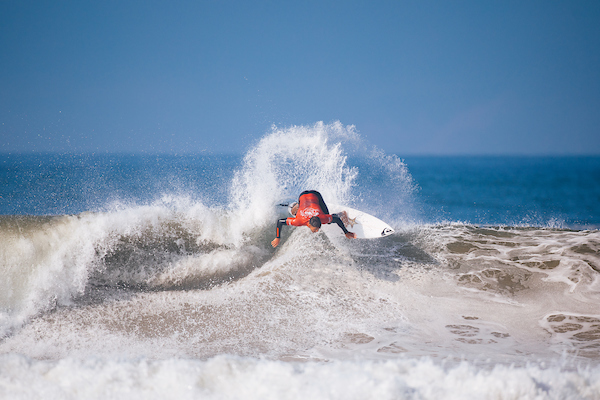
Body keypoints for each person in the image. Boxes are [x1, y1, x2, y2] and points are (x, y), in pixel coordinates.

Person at [271, 190, 356, 248]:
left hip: (313, 195)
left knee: (329, 219)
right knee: (296, 215)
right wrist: (277, 237)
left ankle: (342, 213)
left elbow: (337, 219)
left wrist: (346, 232)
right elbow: (280, 222)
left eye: (317, 229)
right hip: (306, 195)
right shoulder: (299, 221)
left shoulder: (323, 218)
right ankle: (296, 206)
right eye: (315, 229)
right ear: (309, 224)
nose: (316, 231)